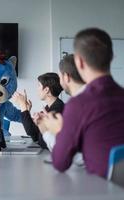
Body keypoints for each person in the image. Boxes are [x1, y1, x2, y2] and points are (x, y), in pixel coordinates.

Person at [41, 28, 124, 178]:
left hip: (101, 191)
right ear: (112, 57)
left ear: (79, 61)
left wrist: (58, 132)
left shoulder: (78, 104)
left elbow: (60, 162)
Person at [38, 54, 85, 152]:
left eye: (60, 76)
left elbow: (62, 159)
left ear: (66, 77)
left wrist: (46, 130)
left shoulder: (74, 107)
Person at [12, 73, 64, 149]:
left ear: (46, 90)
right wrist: (27, 110)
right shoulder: (49, 107)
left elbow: (36, 136)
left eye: (39, 86)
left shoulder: (57, 110)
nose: (37, 89)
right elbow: (34, 134)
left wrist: (23, 106)